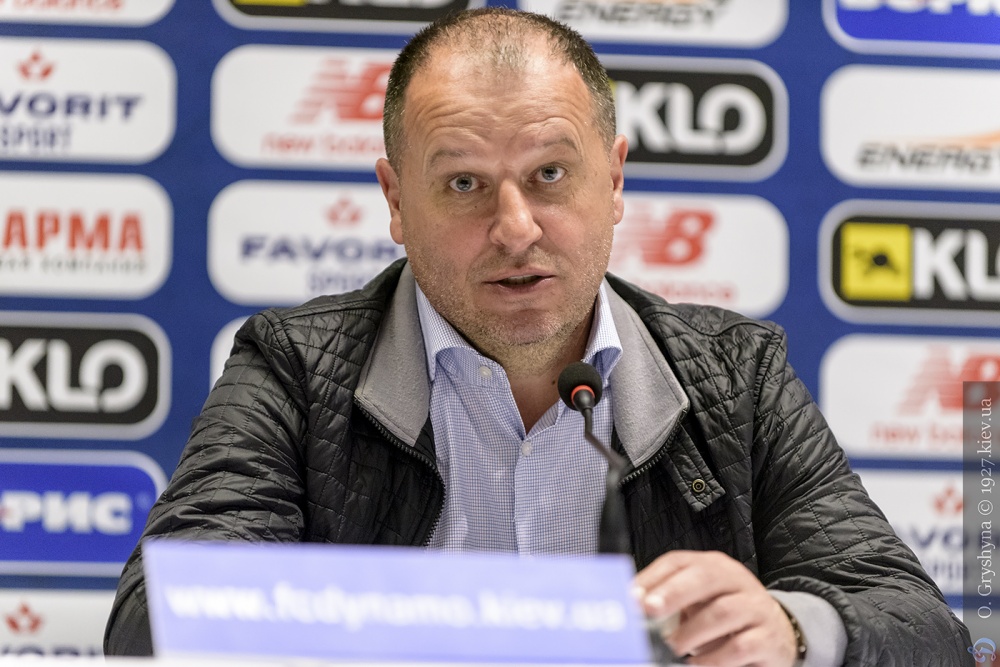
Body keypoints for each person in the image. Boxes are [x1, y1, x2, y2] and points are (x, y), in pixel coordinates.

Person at [105, 8, 971, 666]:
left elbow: (920, 626)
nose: (515, 227)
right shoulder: (298, 368)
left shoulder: (735, 377)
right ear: (397, 201)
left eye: (550, 174)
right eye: (464, 184)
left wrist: (791, 627)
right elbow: (153, 618)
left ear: (615, 180)